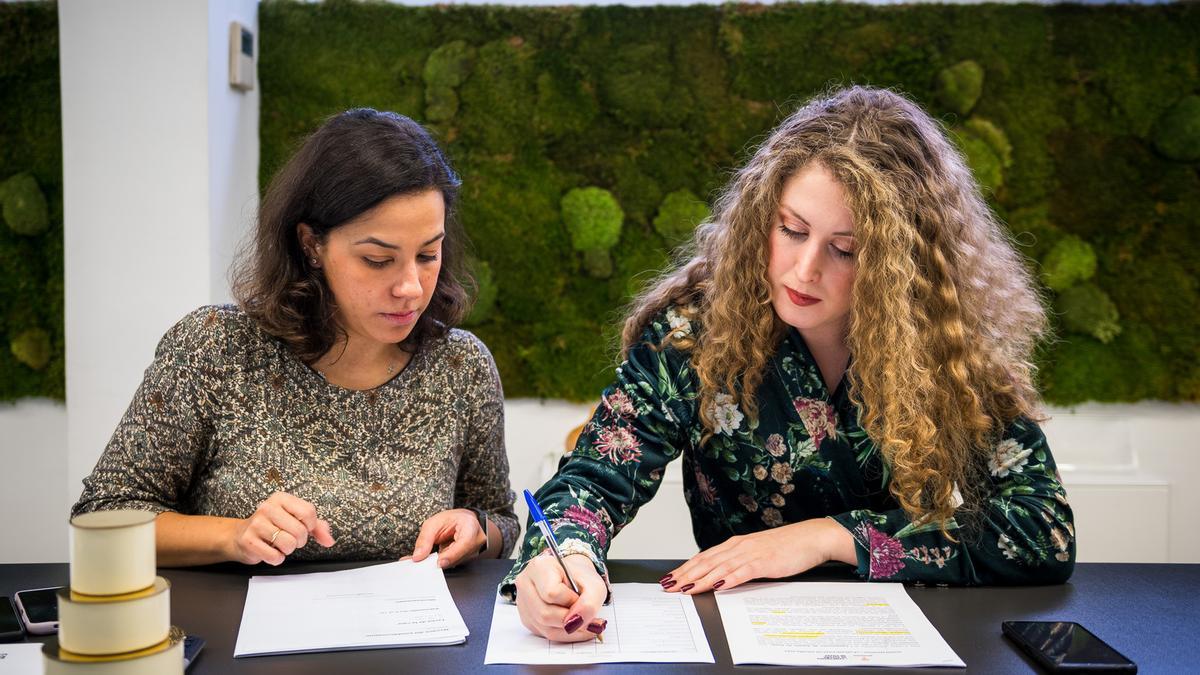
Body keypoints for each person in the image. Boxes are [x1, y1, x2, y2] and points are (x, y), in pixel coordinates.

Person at [505, 86, 1075, 642]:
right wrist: (569, 559)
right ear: (761, 218)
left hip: (898, 639)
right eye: (792, 230)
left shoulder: (947, 349)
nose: (804, 270)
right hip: (733, 637)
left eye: (845, 250)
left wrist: (829, 537)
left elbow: (1041, 533)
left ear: (901, 265)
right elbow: (595, 478)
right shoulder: (694, 334)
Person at [72, 109, 519, 568]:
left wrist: (477, 529)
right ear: (311, 245)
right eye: (377, 260)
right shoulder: (217, 348)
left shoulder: (461, 365)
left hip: (416, 635)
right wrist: (234, 535)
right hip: (239, 633)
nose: (410, 287)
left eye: (428, 254)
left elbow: (501, 518)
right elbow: (104, 520)